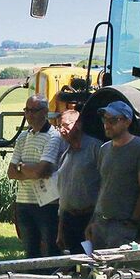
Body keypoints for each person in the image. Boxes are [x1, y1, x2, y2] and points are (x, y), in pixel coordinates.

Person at [89, 100, 140, 250]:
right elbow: (103, 186)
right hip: (100, 222)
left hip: (121, 225)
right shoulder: (104, 149)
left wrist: (132, 222)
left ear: (127, 122)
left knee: (117, 264)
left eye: (113, 120)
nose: (107, 124)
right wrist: (92, 221)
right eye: (105, 120)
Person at [7, 94, 64, 258]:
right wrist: (32, 170)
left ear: (45, 112)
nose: (29, 114)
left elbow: (42, 170)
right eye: (27, 110)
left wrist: (21, 167)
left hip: (47, 203)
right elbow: (11, 172)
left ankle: (50, 276)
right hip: (23, 202)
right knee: (30, 251)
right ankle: (32, 276)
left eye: (34, 110)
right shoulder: (23, 137)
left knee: (50, 249)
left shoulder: (53, 136)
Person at [54, 107, 100, 255]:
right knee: (74, 263)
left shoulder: (96, 148)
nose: (62, 130)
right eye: (59, 127)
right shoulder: (65, 154)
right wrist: (60, 230)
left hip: (90, 218)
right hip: (69, 220)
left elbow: (107, 185)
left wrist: (95, 221)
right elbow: (63, 196)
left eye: (65, 125)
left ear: (78, 124)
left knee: (92, 262)